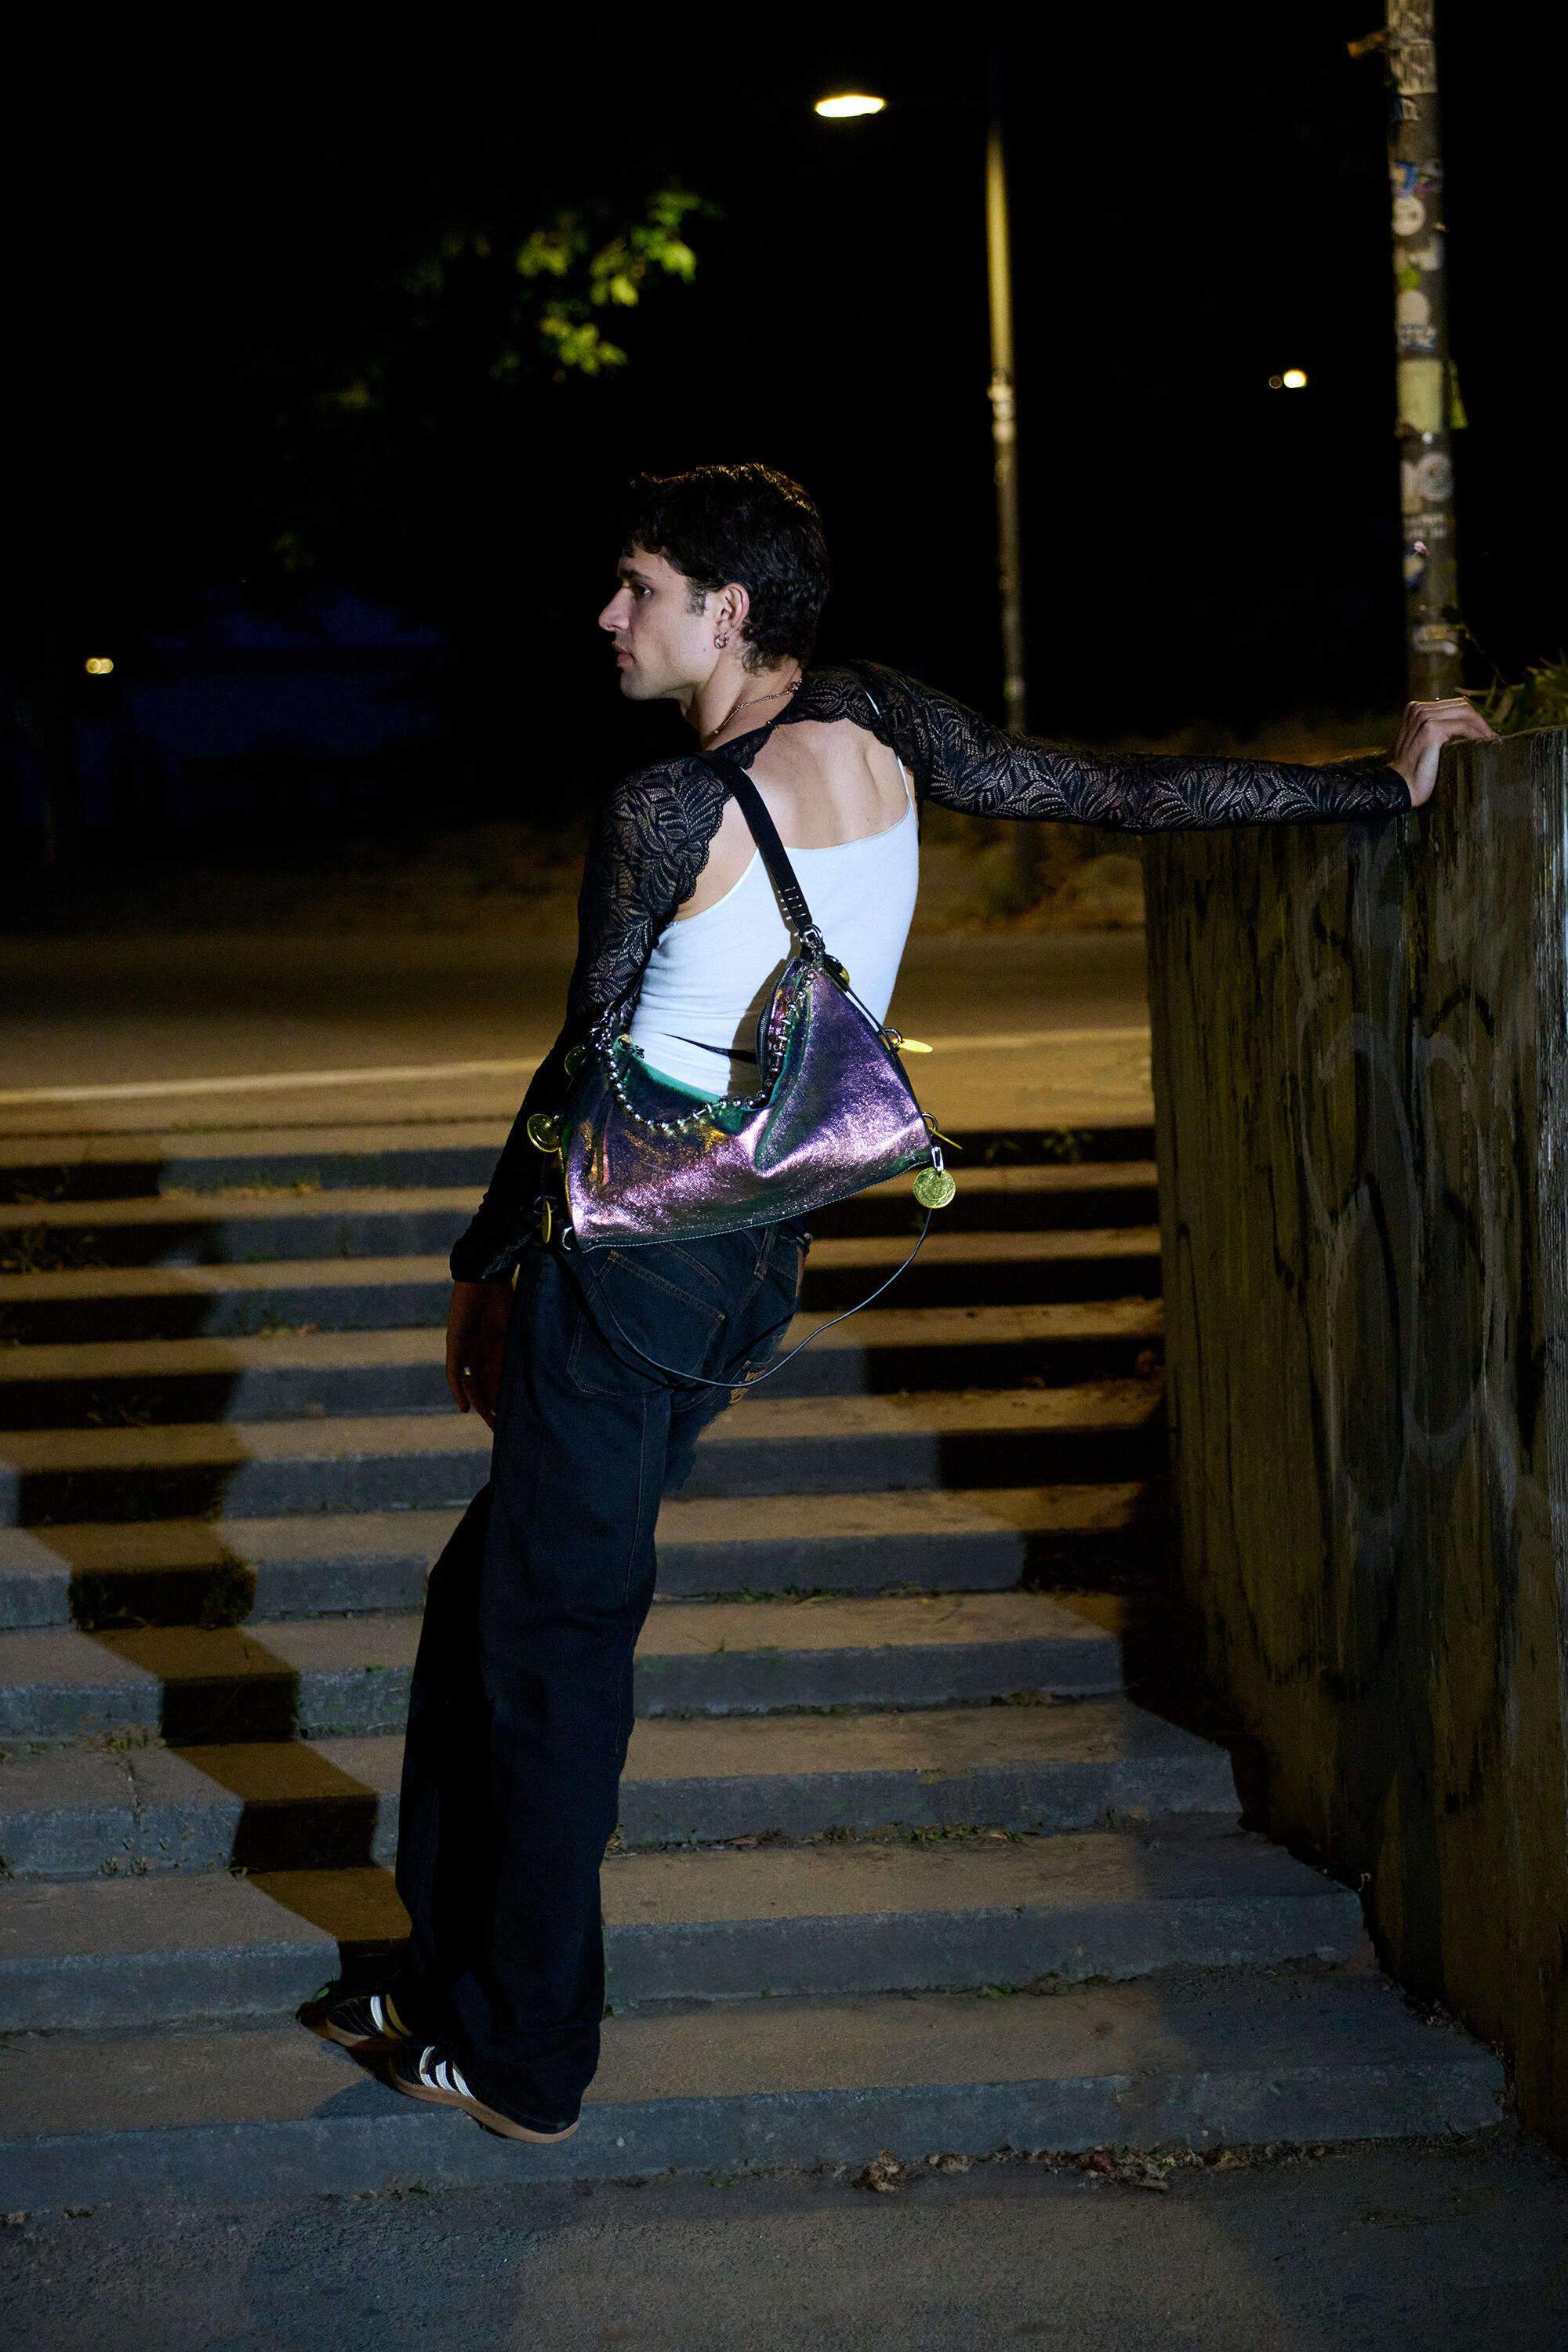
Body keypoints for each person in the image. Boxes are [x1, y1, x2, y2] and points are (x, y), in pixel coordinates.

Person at [311, 462, 1493, 2141]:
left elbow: (579, 1070)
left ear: (722, 612)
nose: (606, 615)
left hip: (634, 1269)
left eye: (633, 584)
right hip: (754, 1261)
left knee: (551, 1657)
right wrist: (1371, 787)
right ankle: (449, 1972)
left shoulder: (667, 811)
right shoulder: (881, 721)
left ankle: (521, 2058)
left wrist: (481, 1266)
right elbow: (1114, 792)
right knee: (483, 1600)